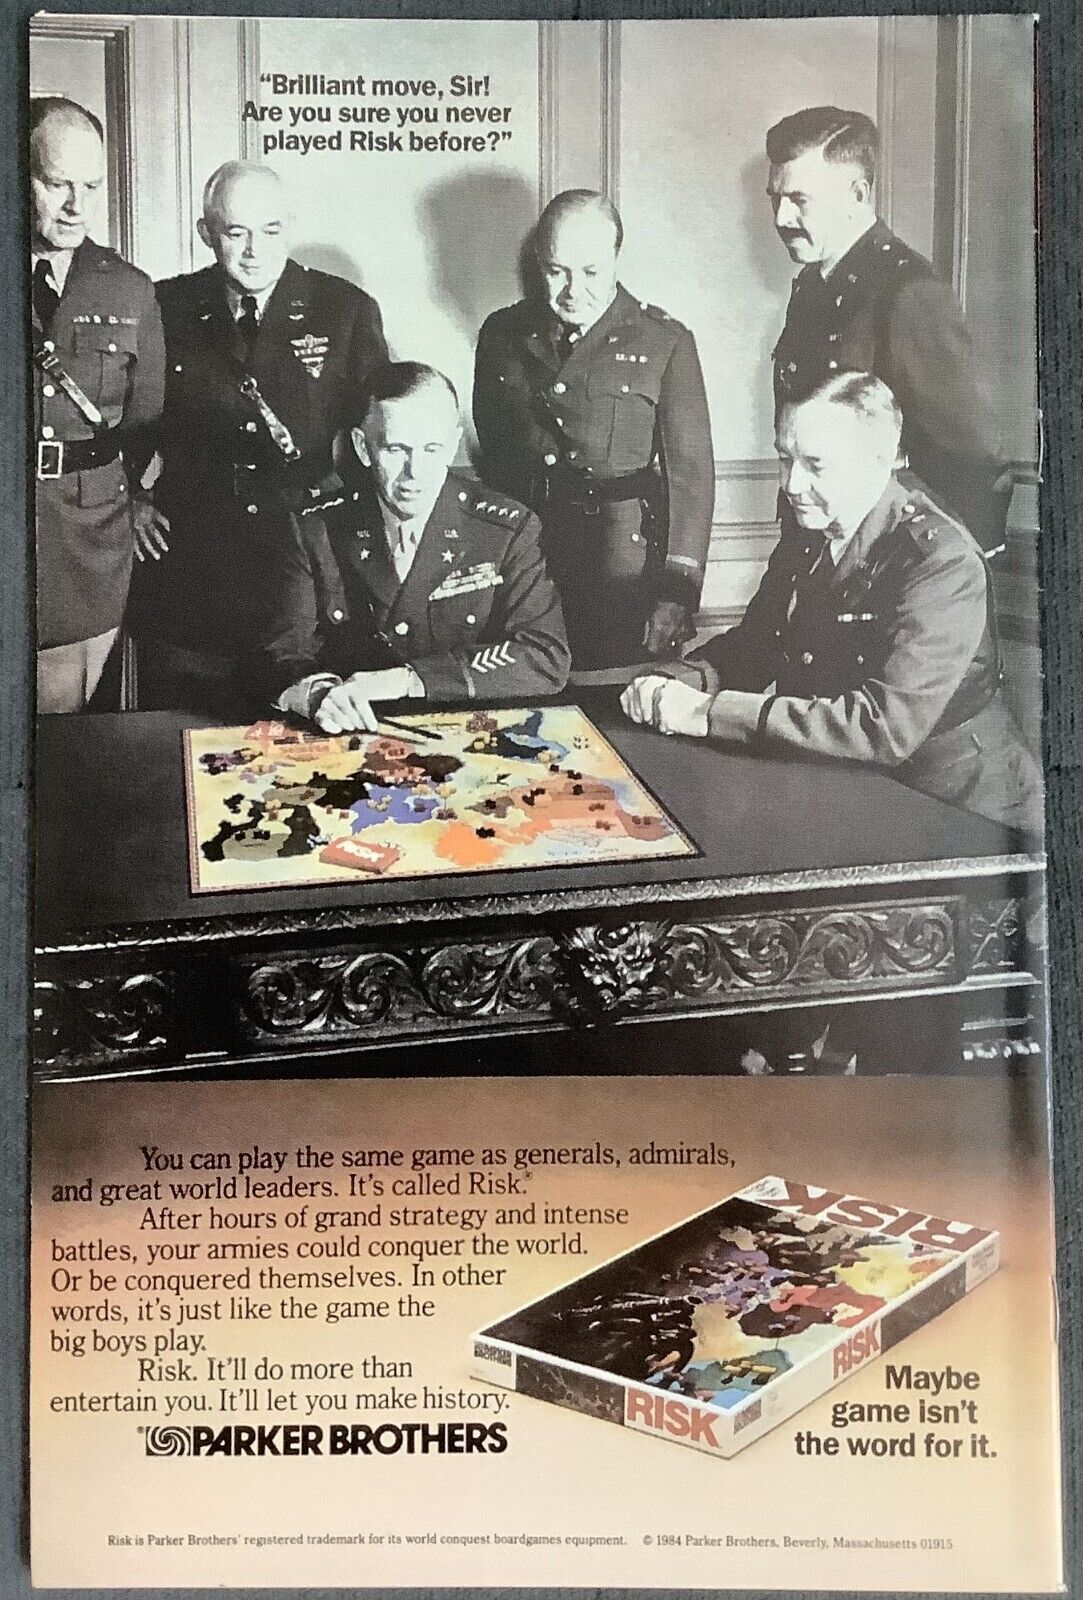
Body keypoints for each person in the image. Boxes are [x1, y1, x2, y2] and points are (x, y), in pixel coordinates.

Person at [621, 372, 1042, 839]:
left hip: (957, 807)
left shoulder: (940, 561)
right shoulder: (809, 531)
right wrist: (675, 681)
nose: (792, 484)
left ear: (879, 459)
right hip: (848, 781)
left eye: (815, 465)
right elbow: (757, 645)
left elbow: (882, 729)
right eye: (785, 459)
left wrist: (707, 712)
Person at [128, 159, 388, 712]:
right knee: (190, 721)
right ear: (206, 233)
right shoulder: (166, 307)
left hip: (305, 564)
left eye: (271, 231)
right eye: (235, 233)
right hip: (196, 563)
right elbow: (128, 419)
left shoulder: (344, 310)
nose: (254, 251)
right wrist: (130, 497)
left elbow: (376, 440)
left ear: (290, 227)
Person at [473, 189, 714, 674]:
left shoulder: (663, 340)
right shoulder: (502, 333)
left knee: (612, 690)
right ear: (538, 262)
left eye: (590, 272)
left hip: (620, 565)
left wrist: (677, 593)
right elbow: (495, 456)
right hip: (524, 558)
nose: (572, 290)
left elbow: (691, 477)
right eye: (556, 271)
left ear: (615, 259)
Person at [267, 361, 570, 730]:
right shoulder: (316, 528)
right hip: (349, 732)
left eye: (431, 449)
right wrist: (316, 693)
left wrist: (410, 679)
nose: (415, 472)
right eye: (396, 449)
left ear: (453, 445)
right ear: (363, 447)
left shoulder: (505, 529)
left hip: (469, 732)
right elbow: (280, 650)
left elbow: (544, 654)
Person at [766, 106, 1011, 552]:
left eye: (799, 200)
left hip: (885, 557)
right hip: (816, 546)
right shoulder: (812, 288)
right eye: (775, 198)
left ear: (858, 194)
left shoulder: (906, 290)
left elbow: (972, 459)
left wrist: (944, 567)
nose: (781, 218)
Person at [30, 96, 165, 713]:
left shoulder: (127, 289)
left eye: (90, 186)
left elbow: (144, 420)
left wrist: (133, 494)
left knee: (66, 713)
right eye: (57, 183)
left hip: (88, 527)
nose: (76, 206)